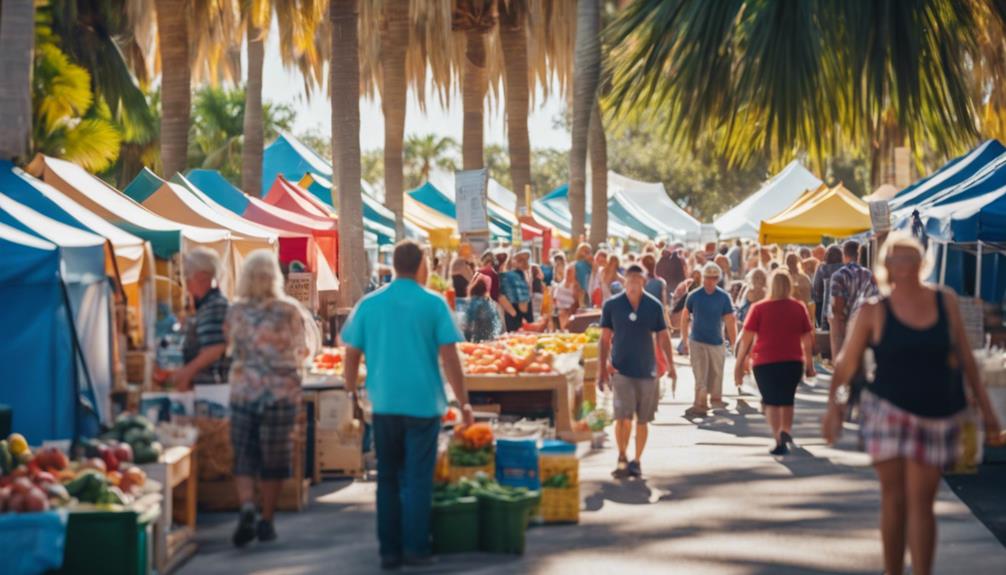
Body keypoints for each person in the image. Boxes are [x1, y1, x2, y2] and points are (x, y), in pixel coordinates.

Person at [822, 233, 1001, 575]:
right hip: (887, 412)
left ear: (923, 263)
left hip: (938, 413)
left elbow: (966, 358)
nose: (904, 266)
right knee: (894, 499)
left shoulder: (944, 301)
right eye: (897, 259)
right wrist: (833, 407)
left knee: (922, 502)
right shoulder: (873, 310)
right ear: (885, 265)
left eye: (911, 259)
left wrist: (989, 414)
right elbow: (846, 362)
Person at [341, 240, 474, 570]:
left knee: (386, 478)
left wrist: (350, 393)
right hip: (423, 404)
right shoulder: (433, 304)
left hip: (383, 403)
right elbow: (450, 357)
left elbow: (351, 353)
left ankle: (389, 551)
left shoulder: (369, 304)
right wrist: (464, 402)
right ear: (421, 266)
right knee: (417, 478)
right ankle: (416, 548)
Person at [225, 250, 320, 546]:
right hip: (280, 393)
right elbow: (304, 350)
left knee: (244, 455)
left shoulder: (236, 310)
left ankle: (247, 507)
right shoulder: (289, 309)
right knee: (274, 457)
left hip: (244, 390)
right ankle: (267, 519)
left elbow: (230, 346)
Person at [597, 265, 676, 479]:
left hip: (647, 371)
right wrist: (601, 370)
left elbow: (663, 337)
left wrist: (672, 366)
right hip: (621, 369)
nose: (633, 284)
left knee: (642, 420)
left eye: (637, 280)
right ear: (624, 282)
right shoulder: (613, 305)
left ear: (643, 282)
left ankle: (637, 461)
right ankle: (622, 455)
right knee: (622, 418)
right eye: (629, 280)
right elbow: (604, 339)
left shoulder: (653, 306)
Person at [734, 270, 815, 455]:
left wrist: (739, 363)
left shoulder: (759, 308)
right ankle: (785, 430)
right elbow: (807, 339)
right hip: (792, 362)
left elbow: (746, 338)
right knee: (787, 399)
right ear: (789, 286)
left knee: (771, 401)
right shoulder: (799, 307)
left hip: (765, 362)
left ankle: (778, 438)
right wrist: (809, 364)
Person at [681, 263, 737, 417]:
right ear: (702, 278)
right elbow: (685, 317)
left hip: (717, 341)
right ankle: (699, 403)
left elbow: (730, 321)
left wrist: (734, 343)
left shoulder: (724, 297)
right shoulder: (694, 295)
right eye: (708, 277)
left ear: (718, 279)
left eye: (714, 278)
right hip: (697, 341)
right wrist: (684, 339)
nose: (710, 281)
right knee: (699, 373)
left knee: (716, 374)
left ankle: (715, 400)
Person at [172, 248, 230, 390]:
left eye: (187, 278)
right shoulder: (206, 306)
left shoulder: (215, 305)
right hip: (203, 387)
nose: (187, 285)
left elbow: (214, 348)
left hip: (210, 389)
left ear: (202, 276)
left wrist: (186, 373)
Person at [829, 240, 878, 358]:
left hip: (845, 330)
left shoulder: (838, 275)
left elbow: (837, 309)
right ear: (859, 255)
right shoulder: (870, 275)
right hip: (867, 329)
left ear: (844, 255)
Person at [499, 249, 534, 332]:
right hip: (518, 317)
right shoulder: (512, 275)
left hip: (516, 316)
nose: (525, 262)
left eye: (526, 260)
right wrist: (516, 315)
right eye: (521, 260)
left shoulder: (520, 275)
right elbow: (501, 296)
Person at [463, 274, 502, 342]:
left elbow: (468, 323)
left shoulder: (472, 302)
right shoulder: (490, 303)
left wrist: (467, 339)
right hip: (491, 337)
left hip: (478, 338)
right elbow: (498, 323)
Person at [813, 245, 844, 329]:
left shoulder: (821, 268)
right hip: (843, 311)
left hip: (826, 310)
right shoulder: (845, 269)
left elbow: (816, 290)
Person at [552, 266, 579, 331]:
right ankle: (563, 330)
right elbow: (554, 298)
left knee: (566, 313)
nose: (568, 274)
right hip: (560, 309)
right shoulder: (560, 285)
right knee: (561, 313)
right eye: (567, 272)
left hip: (572, 309)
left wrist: (570, 309)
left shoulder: (576, 285)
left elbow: (577, 301)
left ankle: (565, 329)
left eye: (570, 272)